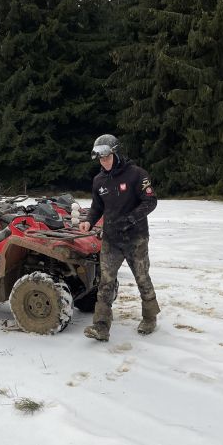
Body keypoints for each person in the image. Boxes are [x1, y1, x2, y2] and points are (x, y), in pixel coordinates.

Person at [79, 134, 159, 341]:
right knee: (105, 281)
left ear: (115, 153)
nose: (104, 161)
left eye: (107, 157)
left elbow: (150, 201)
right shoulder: (99, 181)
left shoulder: (136, 174)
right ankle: (101, 326)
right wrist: (89, 220)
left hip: (136, 238)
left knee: (142, 277)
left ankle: (150, 317)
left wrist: (130, 219)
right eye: (100, 158)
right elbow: (97, 207)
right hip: (111, 240)